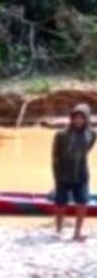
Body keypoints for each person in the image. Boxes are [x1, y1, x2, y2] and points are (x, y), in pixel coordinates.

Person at [52, 103, 95, 242]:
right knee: (60, 203)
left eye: (81, 118)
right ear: (71, 118)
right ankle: (58, 230)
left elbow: (87, 149)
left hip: (81, 173)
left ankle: (77, 232)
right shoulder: (61, 134)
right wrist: (56, 175)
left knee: (83, 203)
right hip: (63, 173)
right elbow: (55, 155)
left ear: (86, 119)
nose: (78, 121)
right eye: (75, 117)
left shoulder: (91, 134)